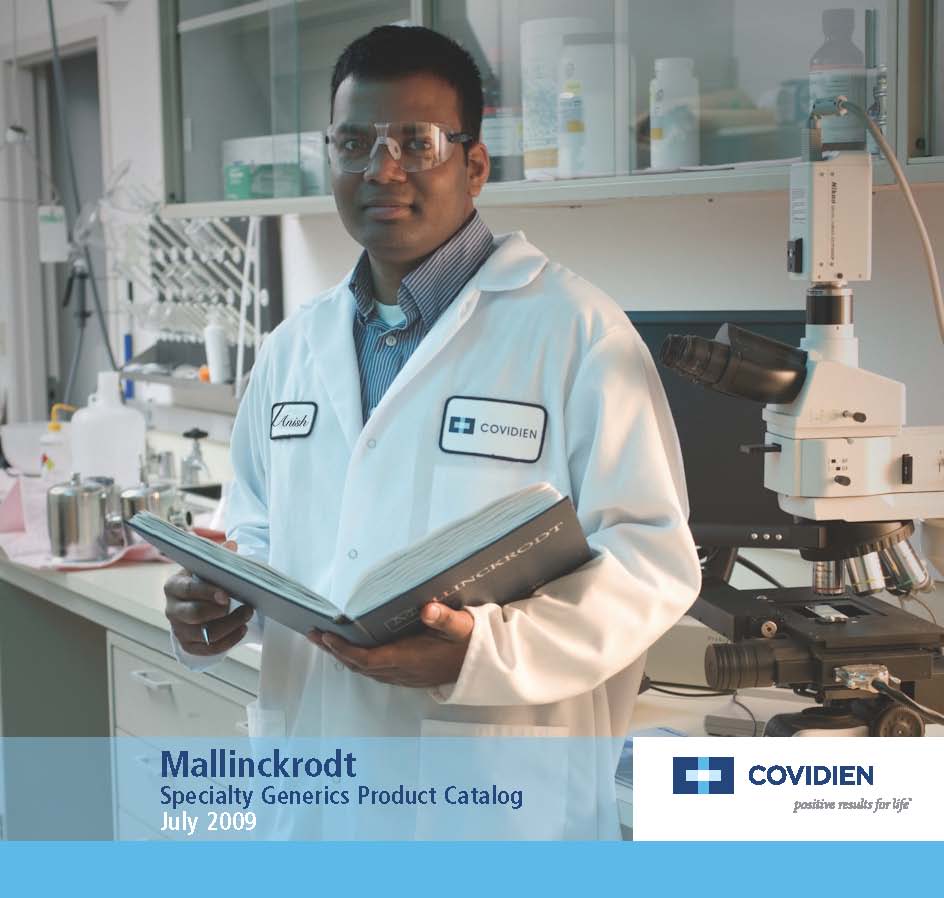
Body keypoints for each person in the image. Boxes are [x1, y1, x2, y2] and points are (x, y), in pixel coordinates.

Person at [164, 24, 701, 839]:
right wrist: (219, 599)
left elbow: (652, 562)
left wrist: (483, 650)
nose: (381, 169)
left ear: (474, 165)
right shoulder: (292, 350)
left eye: (415, 142)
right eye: (354, 142)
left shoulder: (577, 332)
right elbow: (259, 535)